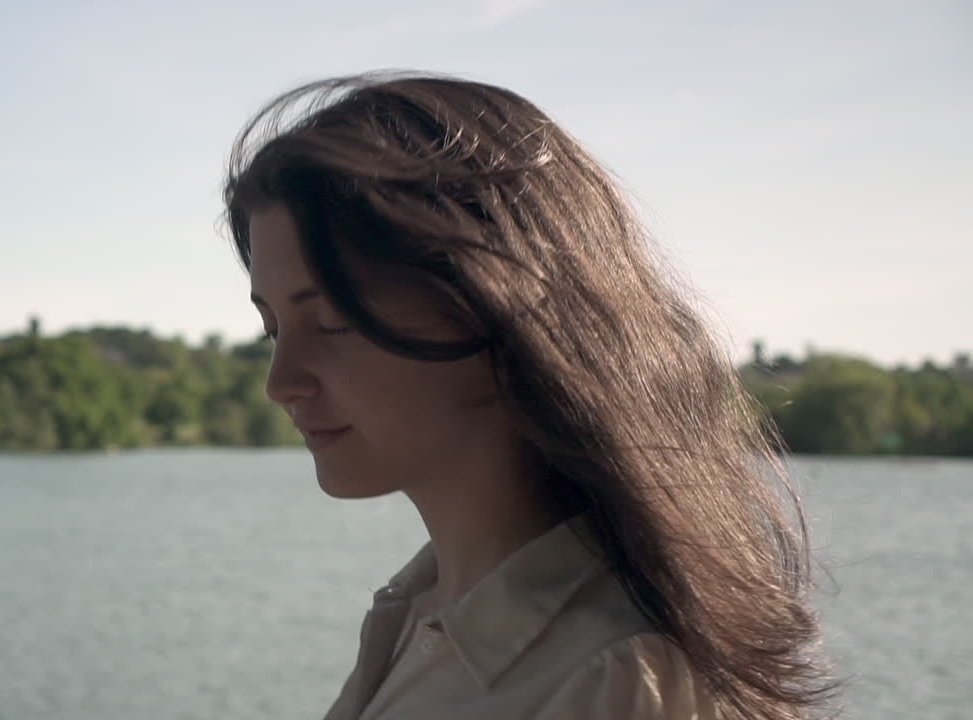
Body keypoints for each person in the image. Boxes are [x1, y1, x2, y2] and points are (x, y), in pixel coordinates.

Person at [222, 72, 838, 720]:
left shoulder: (622, 680)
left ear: (494, 308)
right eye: (272, 328)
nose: (281, 382)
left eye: (331, 322)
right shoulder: (415, 613)